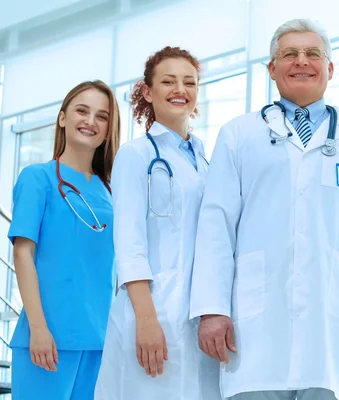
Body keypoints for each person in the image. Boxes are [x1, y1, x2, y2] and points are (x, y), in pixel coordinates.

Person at [190, 19, 339, 400]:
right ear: (272, 69)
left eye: (312, 54)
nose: (301, 62)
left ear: (330, 69)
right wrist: (212, 309)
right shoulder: (239, 135)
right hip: (253, 330)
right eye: (289, 54)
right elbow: (216, 227)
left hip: (335, 328)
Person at [94, 46, 220, 399]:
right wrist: (147, 320)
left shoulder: (205, 160)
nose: (180, 89)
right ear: (148, 92)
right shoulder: (136, 155)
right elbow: (129, 243)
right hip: (151, 309)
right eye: (168, 81)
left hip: (197, 314)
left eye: (189, 82)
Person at [8, 80, 120, 399]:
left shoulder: (111, 190)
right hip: (48, 339)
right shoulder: (38, 178)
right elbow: (23, 254)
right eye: (81, 111)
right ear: (62, 118)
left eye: (102, 116)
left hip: (100, 340)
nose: (90, 121)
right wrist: (39, 329)